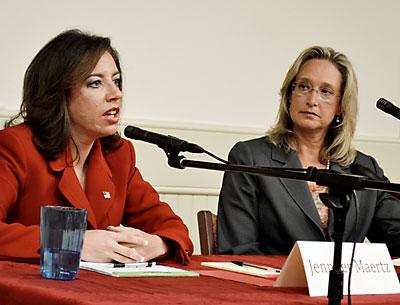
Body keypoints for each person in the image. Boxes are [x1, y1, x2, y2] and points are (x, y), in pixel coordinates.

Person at [0, 29, 193, 264]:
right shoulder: (15, 147)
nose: (116, 94)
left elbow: (172, 227)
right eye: (95, 83)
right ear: (58, 93)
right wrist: (71, 242)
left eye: (117, 81)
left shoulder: (119, 155)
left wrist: (156, 244)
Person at [217, 46, 400, 256]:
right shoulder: (249, 157)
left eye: (326, 91)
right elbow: (238, 249)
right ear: (289, 95)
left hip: (345, 289)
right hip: (275, 286)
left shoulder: (363, 167)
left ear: (340, 106)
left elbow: (395, 236)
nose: (312, 100)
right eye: (304, 87)